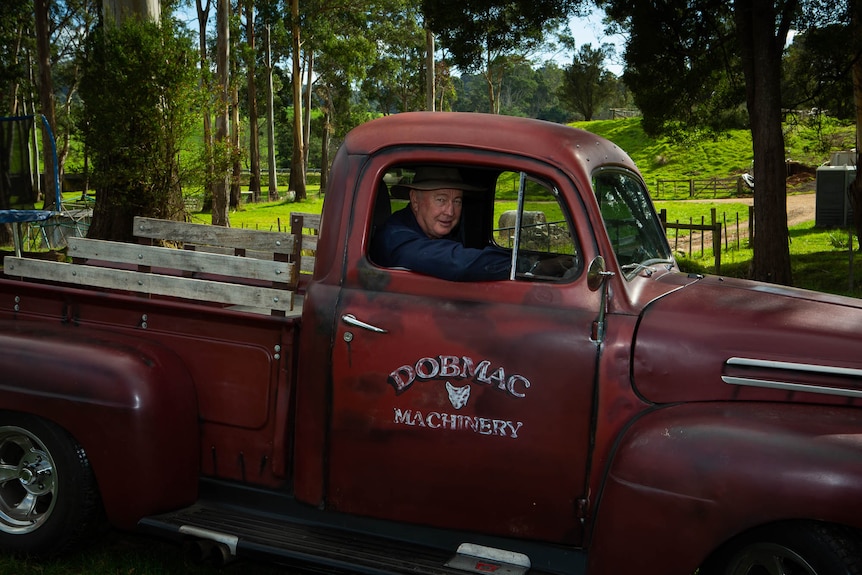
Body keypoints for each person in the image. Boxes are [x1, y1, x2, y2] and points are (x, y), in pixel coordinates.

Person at [371, 166, 572, 281]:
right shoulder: (395, 238)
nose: (450, 211)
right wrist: (530, 266)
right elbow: (457, 262)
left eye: (457, 201)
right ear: (415, 200)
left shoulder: (432, 231)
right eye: (441, 200)